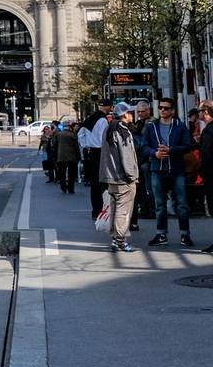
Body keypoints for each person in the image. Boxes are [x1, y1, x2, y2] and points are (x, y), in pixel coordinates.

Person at [140, 97, 195, 248]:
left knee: (182, 204)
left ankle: (185, 234)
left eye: (166, 108)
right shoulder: (152, 127)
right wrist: (154, 153)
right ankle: (161, 234)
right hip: (157, 169)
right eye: (161, 108)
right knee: (160, 204)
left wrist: (171, 150)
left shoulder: (180, 126)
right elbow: (144, 147)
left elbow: (188, 145)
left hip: (177, 170)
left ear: (172, 110)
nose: (162, 110)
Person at [99, 102, 140, 253]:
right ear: (125, 114)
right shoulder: (123, 131)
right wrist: (131, 176)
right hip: (123, 178)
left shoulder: (108, 129)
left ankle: (115, 239)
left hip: (111, 177)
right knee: (124, 210)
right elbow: (127, 156)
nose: (132, 115)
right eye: (130, 112)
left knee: (115, 208)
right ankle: (120, 240)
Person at [78, 103, 108, 218]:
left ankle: (95, 211)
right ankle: (103, 210)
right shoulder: (103, 120)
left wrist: (86, 145)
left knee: (94, 183)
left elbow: (80, 134)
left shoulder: (89, 119)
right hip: (101, 152)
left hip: (91, 152)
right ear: (107, 107)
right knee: (103, 183)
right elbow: (104, 137)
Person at [51, 120, 80, 194]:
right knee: (71, 174)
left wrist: (55, 154)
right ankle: (71, 188)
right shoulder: (73, 134)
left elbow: (54, 145)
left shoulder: (58, 134)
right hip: (72, 156)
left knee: (62, 173)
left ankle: (63, 187)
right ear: (69, 126)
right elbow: (76, 147)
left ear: (63, 126)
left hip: (61, 156)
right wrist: (78, 156)